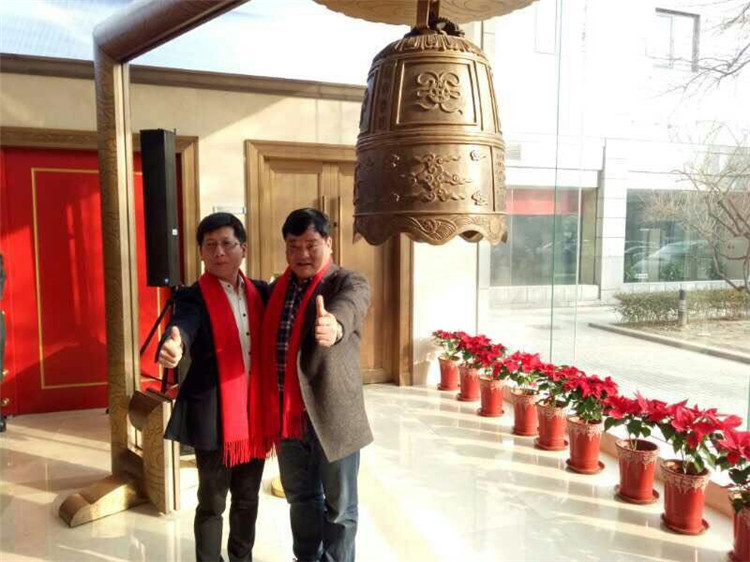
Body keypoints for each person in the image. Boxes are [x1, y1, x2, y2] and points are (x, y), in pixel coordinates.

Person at [157, 212, 276, 562]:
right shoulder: (193, 297)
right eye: (210, 245)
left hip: (255, 414)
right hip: (213, 416)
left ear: (243, 248)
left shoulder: (261, 292)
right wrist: (174, 344)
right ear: (201, 253)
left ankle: (242, 557)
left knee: (248, 498)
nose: (219, 252)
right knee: (212, 501)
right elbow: (183, 325)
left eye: (226, 243)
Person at [261, 208, 372, 562]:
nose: (303, 254)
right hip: (287, 417)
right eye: (294, 246)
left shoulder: (346, 282)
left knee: (340, 508)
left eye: (311, 244)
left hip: (333, 415)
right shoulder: (275, 290)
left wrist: (334, 326)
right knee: (301, 499)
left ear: (329, 242)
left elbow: (351, 306)